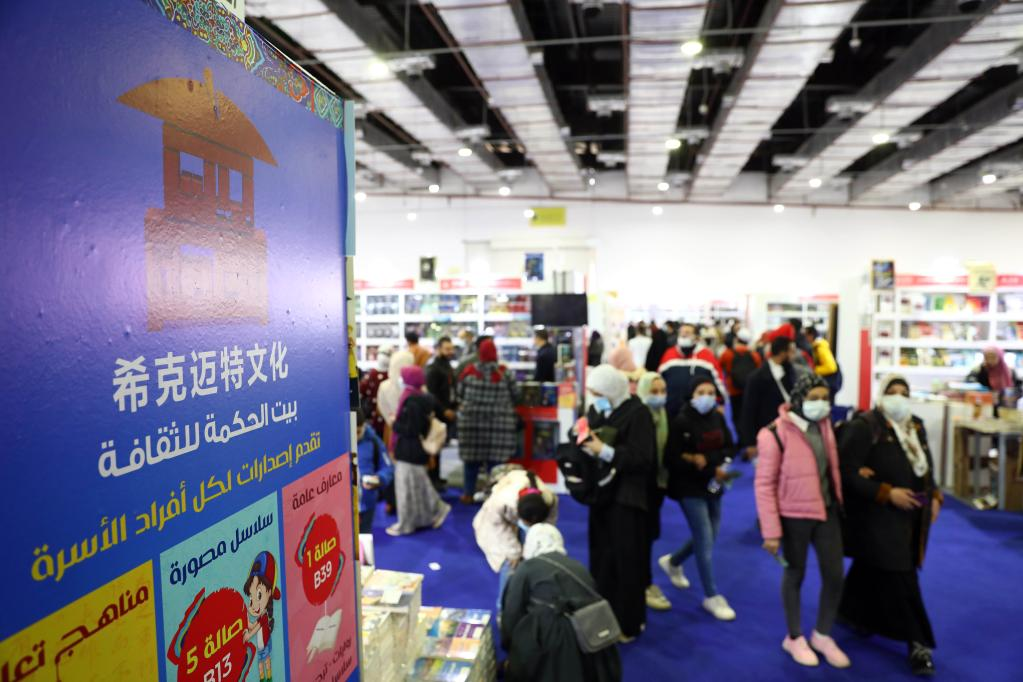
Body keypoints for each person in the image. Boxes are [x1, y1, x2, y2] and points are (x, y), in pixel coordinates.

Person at [838, 374, 943, 677]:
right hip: (876, 514)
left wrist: (935, 495)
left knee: (873, 567)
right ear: (880, 395)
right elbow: (845, 472)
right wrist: (886, 493)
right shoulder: (865, 426)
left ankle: (852, 612)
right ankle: (918, 643)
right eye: (892, 391)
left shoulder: (915, 425)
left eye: (904, 392)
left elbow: (926, 465)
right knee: (901, 575)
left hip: (912, 516)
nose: (898, 397)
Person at [755, 374, 849, 669]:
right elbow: (764, 485)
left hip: (826, 511)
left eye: (825, 398)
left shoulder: (825, 426)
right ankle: (794, 637)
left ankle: (822, 634)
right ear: (798, 399)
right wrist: (771, 531)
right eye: (813, 398)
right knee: (795, 575)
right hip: (793, 516)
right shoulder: (774, 433)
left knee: (834, 575)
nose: (820, 404)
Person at [582, 365, 655, 642]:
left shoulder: (638, 414)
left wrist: (605, 451)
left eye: (598, 393)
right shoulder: (598, 410)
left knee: (627, 561)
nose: (595, 398)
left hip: (627, 499)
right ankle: (603, 617)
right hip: (601, 496)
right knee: (601, 559)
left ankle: (628, 622)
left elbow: (642, 459)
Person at [501, 523, 622, 682]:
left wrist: (511, 650)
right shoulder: (578, 566)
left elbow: (512, 613)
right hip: (590, 638)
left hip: (552, 641)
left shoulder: (526, 568)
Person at [659, 376, 737, 621]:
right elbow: (672, 458)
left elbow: (729, 447)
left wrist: (708, 462)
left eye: (711, 392)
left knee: (710, 535)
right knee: (704, 539)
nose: (707, 397)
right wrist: (694, 461)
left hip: (714, 483)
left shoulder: (718, 417)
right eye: (701, 392)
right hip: (689, 488)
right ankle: (711, 595)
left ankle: (673, 562)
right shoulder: (681, 421)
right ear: (691, 395)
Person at [473, 468, 558, 611]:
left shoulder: (550, 500)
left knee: (538, 558)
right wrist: (514, 552)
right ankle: (504, 608)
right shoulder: (502, 501)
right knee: (510, 562)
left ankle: (532, 602)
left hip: (526, 509)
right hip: (497, 519)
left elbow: (548, 526)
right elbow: (496, 527)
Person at [387, 366, 451, 536]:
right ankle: (433, 512)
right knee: (419, 486)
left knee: (406, 490)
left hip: (409, 451)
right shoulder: (423, 398)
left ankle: (407, 523)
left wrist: (394, 423)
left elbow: (411, 429)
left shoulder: (411, 401)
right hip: (416, 451)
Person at [458, 339, 519, 504]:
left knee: (471, 462)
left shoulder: (469, 371)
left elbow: (459, 393)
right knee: (496, 464)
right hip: (499, 425)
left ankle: (468, 494)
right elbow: (516, 395)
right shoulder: (505, 373)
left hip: (472, 424)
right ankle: (494, 495)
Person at [636, 372, 672, 612]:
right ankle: (643, 584)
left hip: (657, 486)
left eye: (662, 391)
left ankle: (645, 581)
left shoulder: (664, 416)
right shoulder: (639, 418)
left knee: (649, 536)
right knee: (641, 537)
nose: (659, 396)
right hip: (641, 488)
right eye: (654, 391)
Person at [740, 336, 797, 457]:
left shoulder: (789, 371)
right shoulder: (756, 377)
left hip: (789, 429)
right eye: (791, 351)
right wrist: (750, 442)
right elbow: (749, 411)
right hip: (768, 431)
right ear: (782, 353)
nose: (794, 355)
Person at [658, 322, 728, 419]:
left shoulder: (706, 355)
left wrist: (721, 402)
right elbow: (659, 379)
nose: (683, 335)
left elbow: (718, 381)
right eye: (681, 333)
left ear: (696, 337)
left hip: (699, 412)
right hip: (672, 409)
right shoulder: (669, 354)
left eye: (687, 332)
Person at [355, 407, 394, 531]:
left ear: (364, 426)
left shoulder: (373, 440)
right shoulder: (336, 443)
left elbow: (388, 467)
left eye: (358, 432)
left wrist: (379, 478)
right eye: (351, 432)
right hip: (343, 506)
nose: (355, 437)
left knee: (364, 535)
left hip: (367, 503)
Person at [719, 328, 761, 428]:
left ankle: (739, 433)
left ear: (736, 339)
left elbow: (720, 366)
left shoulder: (727, 354)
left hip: (733, 390)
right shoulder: (754, 355)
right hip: (750, 389)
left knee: (736, 415)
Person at [360, 346, 392, 439]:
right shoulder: (372, 374)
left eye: (387, 354)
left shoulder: (391, 375)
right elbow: (362, 390)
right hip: (373, 415)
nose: (383, 357)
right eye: (382, 354)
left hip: (387, 417)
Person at [805, 326, 841, 395]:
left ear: (811, 335)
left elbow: (831, 367)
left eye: (806, 336)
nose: (805, 338)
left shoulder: (819, 347)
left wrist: (814, 370)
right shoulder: (816, 346)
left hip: (828, 383)